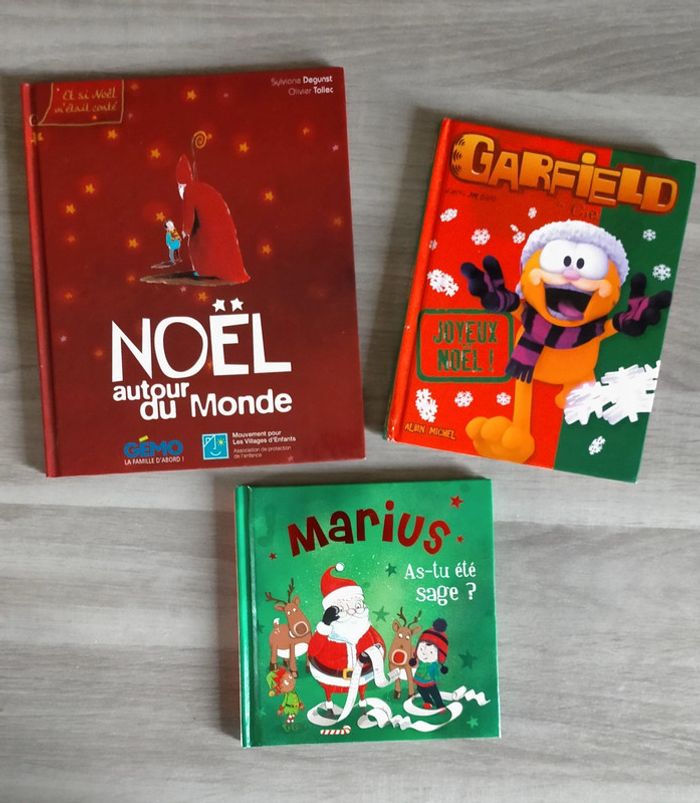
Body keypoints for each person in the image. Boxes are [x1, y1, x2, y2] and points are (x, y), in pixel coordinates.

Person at [408, 618, 449, 710]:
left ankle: (440, 705)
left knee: (433, 690)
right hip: (420, 677)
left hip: (429, 679)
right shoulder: (421, 660)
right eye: (421, 649)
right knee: (420, 689)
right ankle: (428, 701)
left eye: (430, 652)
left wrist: (435, 676)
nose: (424, 653)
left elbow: (435, 674)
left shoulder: (433, 665)